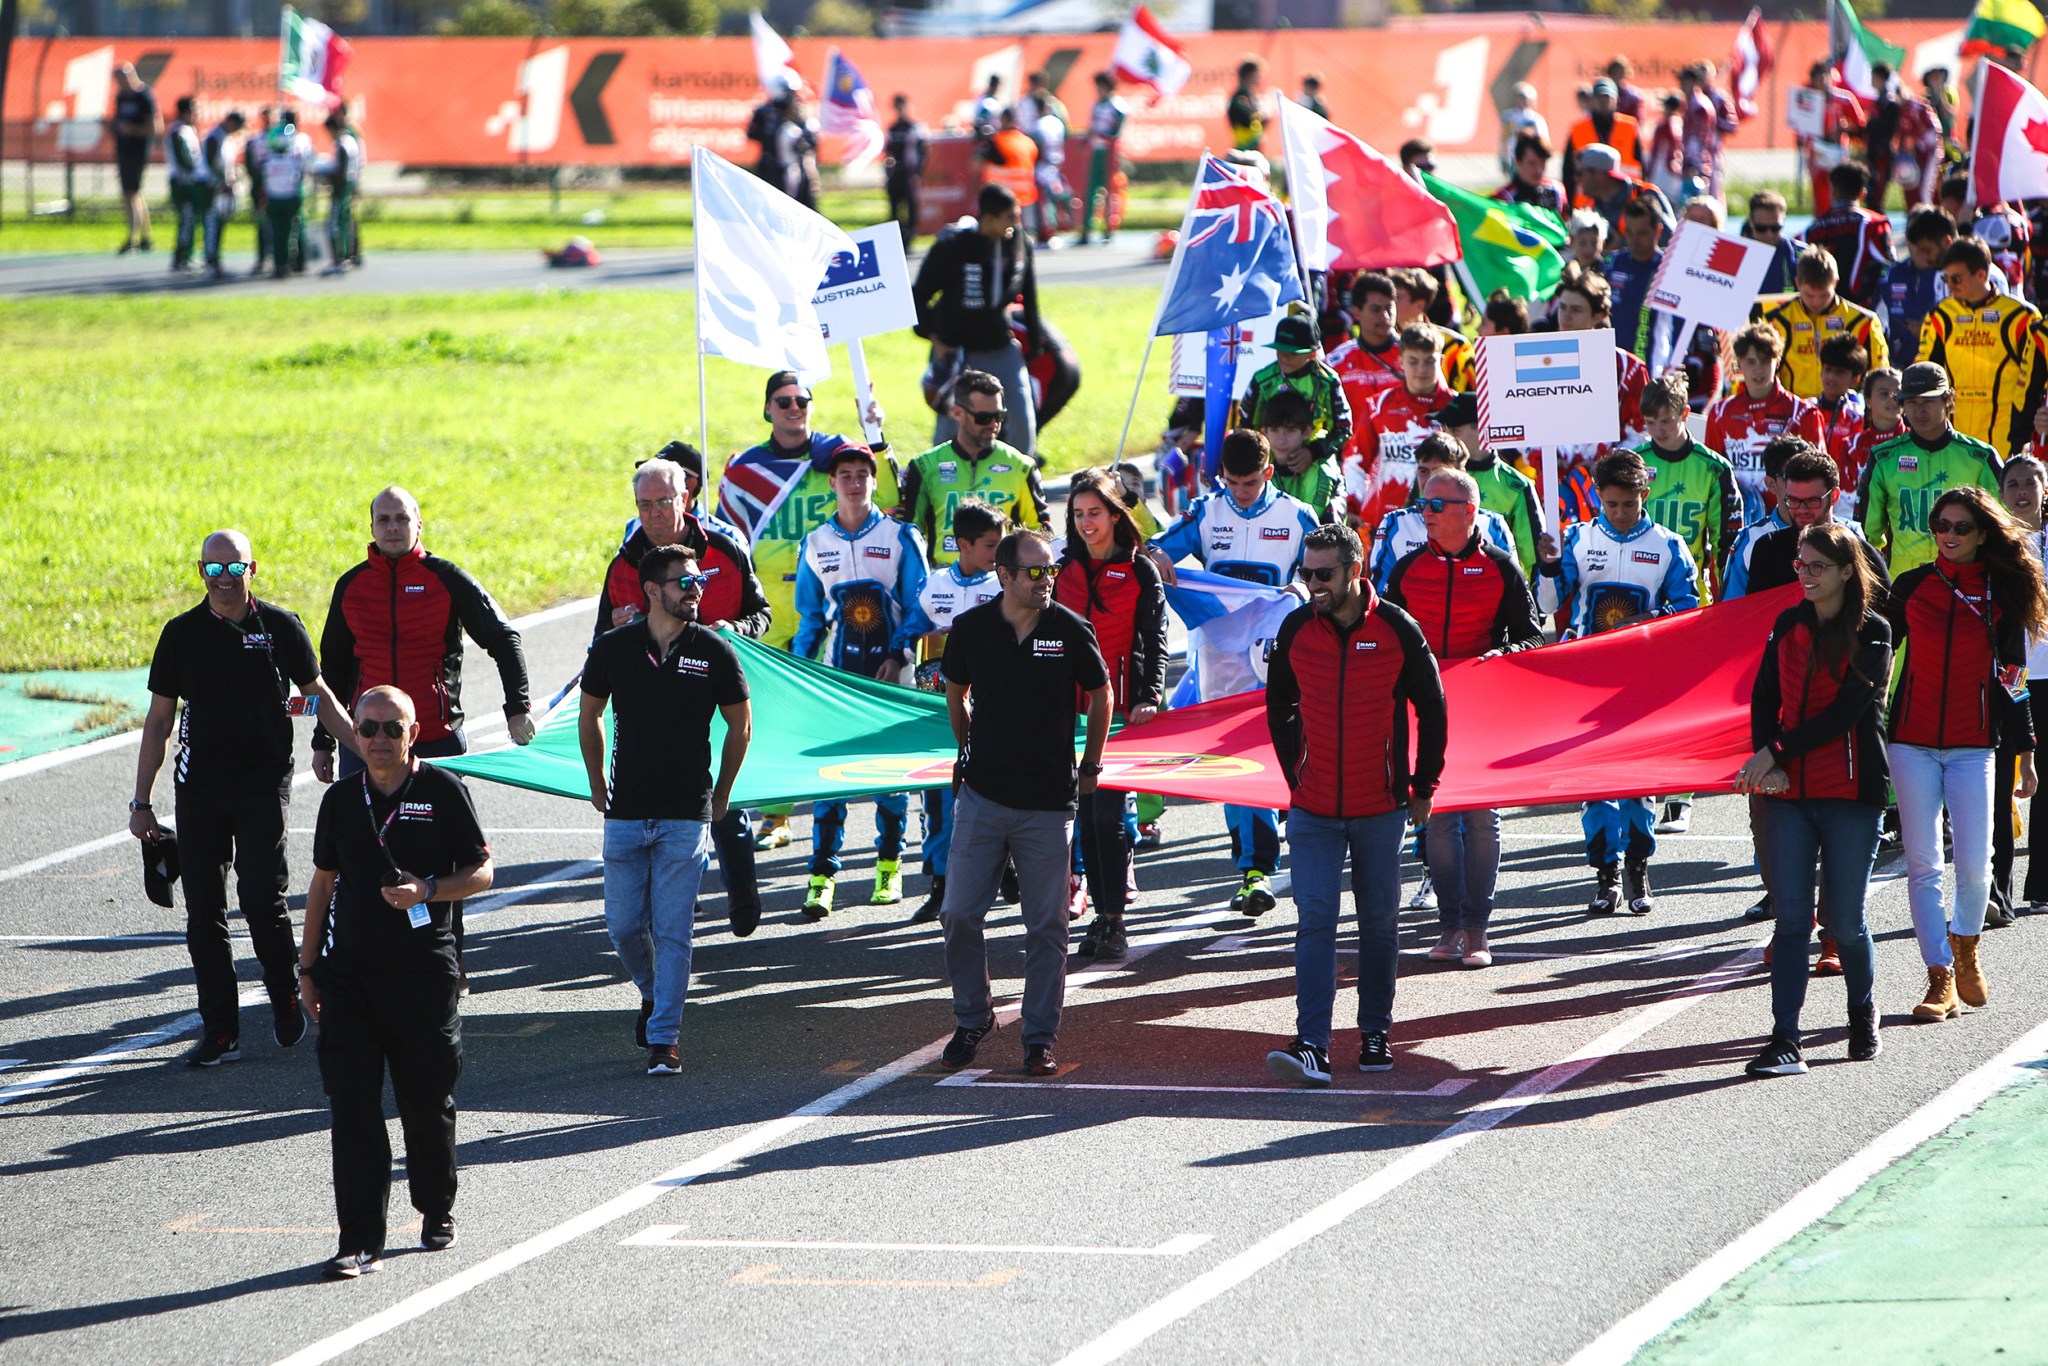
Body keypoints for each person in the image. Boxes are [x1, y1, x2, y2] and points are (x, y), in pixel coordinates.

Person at [131, 531, 362, 1067]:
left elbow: (319, 698)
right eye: (213, 570)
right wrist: (141, 803)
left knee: (261, 897)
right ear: (200, 572)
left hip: (262, 784)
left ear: (252, 569)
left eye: (234, 570)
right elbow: (159, 720)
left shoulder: (280, 627)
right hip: (200, 789)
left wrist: (366, 752)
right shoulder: (181, 634)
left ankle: (284, 990)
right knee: (204, 910)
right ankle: (221, 1029)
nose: (224, 580)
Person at [297, 685, 493, 1278]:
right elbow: (321, 886)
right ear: (353, 733)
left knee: (425, 1100)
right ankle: (359, 1238)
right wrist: (305, 969)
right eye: (368, 728)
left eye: (392, 729)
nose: (378, 739)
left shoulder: (441, 790)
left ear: (412, 734)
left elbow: (482, 871)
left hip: (421, 973)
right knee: (353, 1108)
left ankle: (435, 1207)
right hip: (349, 975)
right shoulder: (338, 800)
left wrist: (428, 890)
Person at [1264, 523, 1447, 1085]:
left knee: (1379, 922)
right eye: (1306, 573)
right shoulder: (1296, 629)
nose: (1313, 584)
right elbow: (1279, 709)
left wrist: (1421, 787)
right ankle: (1312, 1044)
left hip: (1380, 806)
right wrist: (1297, 778)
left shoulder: (1396, 628)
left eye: (1324, 574)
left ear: (1354, 570)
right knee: (1315, 918)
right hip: (1313, 808)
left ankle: (1374, 1033)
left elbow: (1433, 709)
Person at [936, 530, 1111, 1077]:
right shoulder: (970, 630)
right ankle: (973, 1016)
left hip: (1047, 804)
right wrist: (965, 750)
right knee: (958, 912)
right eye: (1034, 572)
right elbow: (954, 691)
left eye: (1050, 570)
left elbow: (1101, 694)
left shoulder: (1069, 629)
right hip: (983, 796)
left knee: (1046, 927)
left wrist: (1090, 766)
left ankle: (1038, 1036)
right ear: (1004, 576)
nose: (1046, 580)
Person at [579, 544, 752, 1075]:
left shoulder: (716, 651)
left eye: (698, 581)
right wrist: (594, 780)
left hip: (685, 812)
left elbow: (741, 726)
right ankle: (655, 995)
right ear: (652, 591)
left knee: (674, 929)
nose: (695, 590)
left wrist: (721, 792)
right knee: (624, 927)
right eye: (684, 582)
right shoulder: (613, 648)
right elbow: (591, 716)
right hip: (626, 809)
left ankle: (664, 1039)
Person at [1733, 523, 1891, 1076]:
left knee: (1844, 923)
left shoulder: (1875, 632)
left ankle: (1861, 1010)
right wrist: (1766, 758)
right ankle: (1784, 1038)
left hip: (1852, 794)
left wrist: (1773, 751)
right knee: (1792, 921)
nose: (1805, 574)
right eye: (1801, 565)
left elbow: (1845, 713)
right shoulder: (1787, 623)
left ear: (1848, 570)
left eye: (1817, 565)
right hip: (1790, 795)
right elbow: (1763, 698)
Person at [1882, 487, 2044, 1022]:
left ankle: (1967, 946)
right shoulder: (1910, 586)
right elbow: (1875, 652)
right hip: (1911, 743)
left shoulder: (2001, 594)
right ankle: (1939, 976)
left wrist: (2026, 752)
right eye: (1940, 526)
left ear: (1982, 534)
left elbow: (2014, 680)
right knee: (1924, 865)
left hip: (1976, 746)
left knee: (1976, 868)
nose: (1948, 536)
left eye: (1960, 528)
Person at [718, 372, 896, 852]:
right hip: (770, 613)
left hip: (828, 613)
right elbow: (729, 544)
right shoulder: (744, 472)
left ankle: (844, 814)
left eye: (802, 400)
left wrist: (875, 435)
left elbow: (893, 503)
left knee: (824, 716)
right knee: (768, 716)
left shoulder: (839, 460)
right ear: (767, 409)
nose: (793, 408)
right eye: (783, 401)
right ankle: (775, 814)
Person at [596, 451, 770, 934]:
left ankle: (742, 894)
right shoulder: (625, 559)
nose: (652, 514)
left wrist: (731, 629)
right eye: (643, 504)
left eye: (662, 502)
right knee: (664, 793)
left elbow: (763, 613)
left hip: (718, 682)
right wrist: (618, 625)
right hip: (652, 694)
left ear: (686, 497)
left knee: (720, 792)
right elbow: (600, 640)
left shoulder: (726, 547)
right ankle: (678, 901)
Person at [1152, 430, 1321, 915]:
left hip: (1277, 652)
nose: (1239, 492)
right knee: (1234, 758)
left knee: (1274, 749)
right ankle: (1253, 867)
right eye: (1231, 482)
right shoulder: (1206, 511)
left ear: (1269, 473)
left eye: (1249, 483)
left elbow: (1329, 567)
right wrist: (1159, 553)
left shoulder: (1297, 515)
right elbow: (1153, 549)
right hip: (1219, 657)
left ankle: (1264, 854)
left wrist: (1299, 591)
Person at [1384, 468, 1541, 969]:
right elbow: (1386, 639)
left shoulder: (1500, 567)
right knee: (1436, 819)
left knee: (1481, 820)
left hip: (1482, 713)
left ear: (1468, 511)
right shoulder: (1407, 568)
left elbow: (1534, 637)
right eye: (1422, 504)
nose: (1423, 513)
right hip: (1424, 712)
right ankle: (1449, 926)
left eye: (1435, 505)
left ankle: (1477, 930)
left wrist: (1505, 654)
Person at [1536, 451, 1700, 915]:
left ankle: (1638, 867)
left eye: (1628, 504)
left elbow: (1688, 609)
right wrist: (1548, 566)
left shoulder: (1669, 544)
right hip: (1587, 677)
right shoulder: (1576, 538)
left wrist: (1649, 619)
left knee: (1638, 777)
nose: (1621, 513)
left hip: (1642, 679)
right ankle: (1604, 874)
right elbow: (1547, 602)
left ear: (1643, 495)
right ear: (1598, 498)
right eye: (1611, 505)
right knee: (1594, 779)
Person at [316, 487, 533, 794]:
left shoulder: (448, 579)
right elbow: (332, 669)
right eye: (384, 519)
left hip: (435, 737)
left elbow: (504, 639)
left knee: (439, 839)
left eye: (402, 518)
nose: (392, 526)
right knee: (362, 838)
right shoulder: (351, 586)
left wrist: (518, 708)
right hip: (365, 741)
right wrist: (323, 742)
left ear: (418, 524)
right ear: (372, 528)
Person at [792, 444, 928, 916]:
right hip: (837, 680)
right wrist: (799, 675)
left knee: (890, 775)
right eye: (844, 474)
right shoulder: (815, 543)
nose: (853, 482)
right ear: (832, 483)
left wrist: (898, 653)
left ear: (874, 481)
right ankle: (822, 876)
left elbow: (919, 606)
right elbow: (810, 619)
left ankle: (889, 865)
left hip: (894, 676)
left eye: (861, 474)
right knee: (831, 780)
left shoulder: (900, 536)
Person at [1055, 470, 1167, 959]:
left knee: (1106, 818)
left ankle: (1112, 918)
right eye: (1078, 514)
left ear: (1117, 516)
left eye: (1094, 513)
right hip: (1066, 716)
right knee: (1076, 819)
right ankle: (1092, 914)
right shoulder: (1060, 570)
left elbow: (1156, 640)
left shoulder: (1141, 571)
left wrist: (1151, 695)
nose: (1085, 523)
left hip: (1120, 715)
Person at [902, 499, 1009, 924]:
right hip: (941, 709)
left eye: (1001, 544)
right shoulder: (933, 585)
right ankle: (940, 883)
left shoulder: (1004, 582)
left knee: (1001, 792)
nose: (997, 553)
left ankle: (1010, 871)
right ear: (962, 545)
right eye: (989, 545)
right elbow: (910, 632)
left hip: (994, 710)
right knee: (940, 797)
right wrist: (926, 640)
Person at [913, 183, 1042, 458]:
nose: (1015, 223)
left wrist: (1035, 342)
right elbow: (919, 295)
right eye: (1009, 217)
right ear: (988, 218)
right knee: (952, 424)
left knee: (1021, 417)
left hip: (999, 346)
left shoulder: (1019, 244)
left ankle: (1022, 480)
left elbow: (1029, 295)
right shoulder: (953, 247)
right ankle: (942, 482)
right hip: (957, 351)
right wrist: (935, 339)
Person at [1863, 363, 2003, 575]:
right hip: (1902, 581)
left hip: (1965, 578)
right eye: (1911, 402)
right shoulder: (1884, 458)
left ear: (1948, 400)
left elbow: (2002, 528)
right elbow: (1868, 535)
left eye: (1928, 401)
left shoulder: (1980, 457)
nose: (1919, 410)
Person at [901, 369, 1049, 569]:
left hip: (1001, 582)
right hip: (943, 581)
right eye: (983, 418)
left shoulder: (1021, 467)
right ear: (957, 413)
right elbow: (909, 534)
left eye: (999, 416)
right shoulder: (925, 466)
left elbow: (1040, 533)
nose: (993, 425)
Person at [1921, 237, 2040, 455]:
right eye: (1947, 279)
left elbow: (2036, 377)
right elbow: (1924, 370)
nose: (1950, 286)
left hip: (2006, 431)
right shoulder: (1941, 315)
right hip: (1954, 430)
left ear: (1981, 274)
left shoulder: (2022, 316)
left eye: (1956, 279)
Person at [1707, 322, 1829, 527]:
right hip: (1737, 522)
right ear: (1739, 363)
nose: (1758, 369)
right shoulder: (1721, 413)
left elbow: (1819, 474)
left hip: (1788, 522)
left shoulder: (1802, 413)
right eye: (1751, 361)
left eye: (1765, 361)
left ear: (1778, 361)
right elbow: (1711, 475)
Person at [1995, 455, 2048, 918]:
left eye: (2031, 482)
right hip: (2007, 678)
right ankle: (1998, 892)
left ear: (2044, 489)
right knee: (2001, 786)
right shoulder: (1992, 546)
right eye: (2013, 484)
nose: (2022, 491)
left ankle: (2042, 885)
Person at [1638, 373, 1741, 604]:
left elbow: (1727, 543)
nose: (1658, 430)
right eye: (1650, 422)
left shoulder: (1714, 468)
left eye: (1666, 421)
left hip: (1691, 590)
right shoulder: (1635, 462)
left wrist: (1730, 599)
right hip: (1641, 590)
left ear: (1685, 413)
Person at [1367, 434, 1514, 589]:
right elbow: (1381, 593)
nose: (1430, 480)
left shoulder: (1493, 524)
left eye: (1438, 472)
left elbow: (1512, 591)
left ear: (1461, 474)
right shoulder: (1395, 524)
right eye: (1423, 471)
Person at [1347, 324, 1453, 537]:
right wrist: (1353, 507)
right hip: (1385, 523)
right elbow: (1354, 462)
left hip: (1443, 519)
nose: (1421, 370)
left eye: (1429, 361)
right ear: (1400, 361)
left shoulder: (1457, 407)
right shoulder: (1378, 406)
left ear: (1441, 361)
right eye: (1413, 361)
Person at [1743, 447, 1892, 597]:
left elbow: (1882, 612)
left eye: (1811, 501)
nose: (1801, 509)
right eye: (1793, 500)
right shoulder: (1768, 549)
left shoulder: (1859, 552)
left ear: (1834, 496)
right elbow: (1756, 611)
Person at [1759, 247, 1890, 404]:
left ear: (1835, 283)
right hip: (1793, 411)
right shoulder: (1776, 320)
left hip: (1847, 413)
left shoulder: (1864, 321)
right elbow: (1758, 371)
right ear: (1797, 284)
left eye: (1824, 295)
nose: (1817, 302)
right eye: (1809, 295)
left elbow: (1881, 375)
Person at [1236, 315, 1353, 490]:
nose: (1284, 357)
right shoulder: (1262, 380)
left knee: (1324, 485)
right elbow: (1246, 429)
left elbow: (1344, 428)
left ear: (1312, 354)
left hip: (1316, 459)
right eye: (1280, 350)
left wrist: (1312, 452)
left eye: (1292, 353)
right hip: (1271, 458)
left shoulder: (1328, 381)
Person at [1440, 393, 1542, 578]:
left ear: (1483, 430)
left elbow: (1532, 558)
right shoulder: (1432, 476)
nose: (1447, 438)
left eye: (1455, 430)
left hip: (1493, 587)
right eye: (1444, 429)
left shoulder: (1517, 486)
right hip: (1438, 586)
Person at [1803, 163, 1896, 310]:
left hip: (1819, 308)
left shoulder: (1812, 229)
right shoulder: (1874, 223)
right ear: (1862, 194)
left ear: (1833, 192)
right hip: (1860, 311)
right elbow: (1890, 266)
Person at [1881, 209, 1960, 368]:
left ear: (1946, 242)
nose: (1924, 257)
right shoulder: (1939, 276)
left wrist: (1927, 330)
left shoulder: (1984, 273)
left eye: (1927, 250)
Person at [1329, 273, 1405, 425]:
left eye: (1389, 308)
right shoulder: (1335, 363)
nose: (1385, 317)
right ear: (1357, 312)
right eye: (1375, 310)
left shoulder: (1414, 354)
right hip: (1356, 447)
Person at [1259, 387, 1342, 524]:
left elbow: (1309, 522)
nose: (1281, 440)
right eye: (1274, 430)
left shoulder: (1321, 468)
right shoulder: (1260, 463)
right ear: (1264, 432)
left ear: (1306, 432)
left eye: (1290, 431)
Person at [1835, 366, 1905, 521]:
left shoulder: (1916, 442)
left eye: (1898, 394)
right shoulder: (1852, 446)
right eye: (1884, 394)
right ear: (1868, 400)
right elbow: (1844, 506)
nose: (1893, 399)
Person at [1604, 196, 1665, 358]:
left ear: (1658, 231)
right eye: (1629, 232)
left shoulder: (1667, 270)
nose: (1634, 239)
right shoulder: (1611, 263)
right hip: (1612, 362)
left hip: (1650, 366)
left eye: (1642, 233)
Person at [110, 63, 159, 255]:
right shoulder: (121, 97)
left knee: (131, 193)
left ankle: (133, 239)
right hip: (123, 149)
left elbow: (154, 128)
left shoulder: (143, 97)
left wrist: (131, 129)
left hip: (137, 150)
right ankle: (145, 237)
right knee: (132, 194)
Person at [1563, 78, 1644, 189]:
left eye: (1607, 98)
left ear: (1617, 100)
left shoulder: (1629, 127)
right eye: (1599, 98)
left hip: (1624, 199)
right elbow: (1568, 169)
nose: (1604, 102)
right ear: (1592, 100)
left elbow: (1642, 166)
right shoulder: (1579, 129)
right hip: (1586, 202)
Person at [261, 110, 313, 280]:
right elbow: (304, 172)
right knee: (292, 230)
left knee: (280, 233)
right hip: (289, 197)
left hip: (277, 198)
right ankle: (291, 260)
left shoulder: (268, 161)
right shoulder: (292, 159)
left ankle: (282, 263)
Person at [1077, 72, 1127, 246]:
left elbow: (1116, 133)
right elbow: (1091, 127)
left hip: (1109, 151)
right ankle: (1086, 230)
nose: (1099, 90)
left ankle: (1109, 229)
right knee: (1090, 191)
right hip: (1095, 151)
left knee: (1110, 190)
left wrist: (1101, 135)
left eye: (1102, 86)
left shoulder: (1117, 105)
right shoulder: (1096, 104)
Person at [198, 110, 244, 281]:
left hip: (222, 188)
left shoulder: (228, 139)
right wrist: (222, 180)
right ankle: (210, 262)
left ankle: (215, 260)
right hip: (211, 187)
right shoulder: (215, 137)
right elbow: (210, 163)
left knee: (219, 225)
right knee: (212, 224)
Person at [165, 96, 206, 274]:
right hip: (182, 182)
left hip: (191, 181)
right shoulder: (178, 131)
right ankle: (181, 257)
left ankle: (188, 254)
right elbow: (184, 160)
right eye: (194, 110)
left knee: (192, 219)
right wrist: (194, 173)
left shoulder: (190, 130)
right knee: (187, 219)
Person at [1814, 335, 1869, 460]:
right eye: (1828, 370)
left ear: (1855, 380)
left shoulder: (1857, 415)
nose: (1831, 377)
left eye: (1840, 372)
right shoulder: (1807, 409)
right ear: (1821, 372)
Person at [884, 94, 928, 248]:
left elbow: (923, 151)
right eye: (898, 106)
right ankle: (897, 240)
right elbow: (888, 152)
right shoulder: (892, 128)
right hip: (896, 173)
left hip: (910, 174)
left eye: (903, 105)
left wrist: (918, 171)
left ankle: (909, 240)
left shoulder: (916, 127)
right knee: (895, 209)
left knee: (912, 208)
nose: (900, 109)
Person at [323, 107, 363, 273]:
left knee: (334, 224)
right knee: (346, 222)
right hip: (348, 185)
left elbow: (340, 170)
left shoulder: (342, 143)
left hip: (341, 189)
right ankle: (349, 256)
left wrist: (325, 176)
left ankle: (340, 258)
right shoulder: (351, 140)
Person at [1496, 133, 1568, 219]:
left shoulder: (1556, 192)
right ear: (1517, 162)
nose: (1539, 170)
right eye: (1532, 163)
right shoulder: (1503, 199)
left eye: (1543, 163)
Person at [1744, 190, 1798, 295]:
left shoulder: (1801, 255)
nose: (1769, 234)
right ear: (1751, 222)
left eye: (1775, 228)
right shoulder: (1736, 254)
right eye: (1761, 228)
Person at [243, 108, 273, 275]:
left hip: (277, 189)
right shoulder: (256, 140)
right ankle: (262, 258)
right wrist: (259, 184)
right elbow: (251, 165)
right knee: (262, 224)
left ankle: (279, 258)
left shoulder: (281, 138)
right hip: (260, 188)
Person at [1498, 84, 1549, 178]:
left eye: (1526, 98)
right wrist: (1504, 157)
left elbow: (1543, 138)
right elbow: (1504, 138)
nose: (1524, 101)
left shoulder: (1536, 118)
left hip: (1532, 157)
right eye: (1520, 98)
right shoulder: (1509, 117)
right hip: (1514, 156)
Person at [1644, 94, 1686, 204]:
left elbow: (1657, 151)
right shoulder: (1680, 123)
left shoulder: (1665, 126)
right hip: (1675, 167)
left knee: (1660, 198)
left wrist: (1649, 169)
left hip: (1663, 168)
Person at [1228, 59, 1265, 152]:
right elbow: (1246, 121)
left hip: (1254, 146)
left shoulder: (1251, 95)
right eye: (1257, 74)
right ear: (1248, 75)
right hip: (1245, 148)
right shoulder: (1240, 98)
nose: (1260, 77)